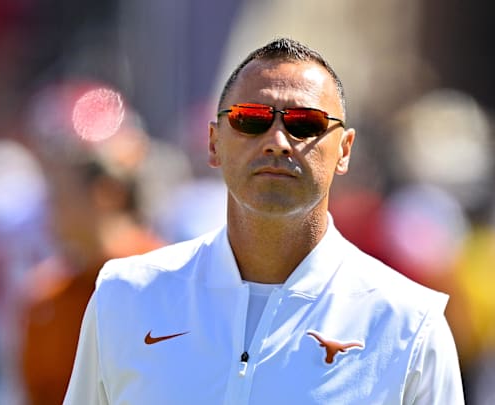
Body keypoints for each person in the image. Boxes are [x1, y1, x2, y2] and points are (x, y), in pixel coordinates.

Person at [63, 37, 465, 404]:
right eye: (250, 119)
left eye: (305, 123)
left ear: (344, 150)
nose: (276, 140)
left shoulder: (409, 323)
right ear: (213, 142)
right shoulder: (125, 295)